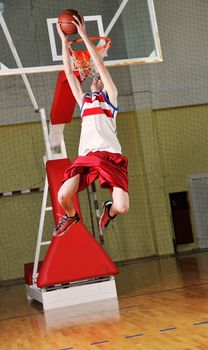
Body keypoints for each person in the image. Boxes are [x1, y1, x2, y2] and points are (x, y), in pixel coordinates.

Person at [53, 15, 129, 237]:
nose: (96, 80)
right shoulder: (84, 102)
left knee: (123, 207)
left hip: (110, 157)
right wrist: (63, 40)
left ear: (104, 85)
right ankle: (71, 216)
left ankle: (110, 210)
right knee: (62, 196)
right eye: (94, 80)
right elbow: (69, 73)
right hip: (86, 158)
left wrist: (84, 34)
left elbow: (99, 65)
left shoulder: (111, 99)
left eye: (100, 80)